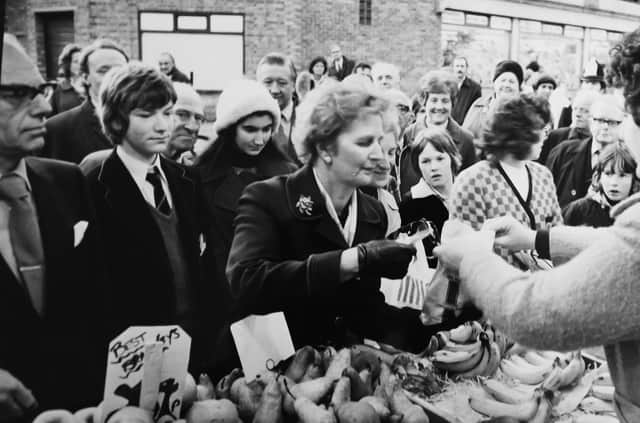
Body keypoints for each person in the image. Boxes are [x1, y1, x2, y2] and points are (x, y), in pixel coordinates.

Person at [432, 28, 640, 421]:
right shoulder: (475, 178)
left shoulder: (544, 176)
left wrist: (475, 256)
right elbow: (612, 241)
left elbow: (534, 315)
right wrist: (535, 238)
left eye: (624, 116)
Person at [224, 82, 438, 355]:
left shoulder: (374, 214)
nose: (378, 155)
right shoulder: (267, 198)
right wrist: (353, 260)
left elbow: (365, 311)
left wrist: (434, 320)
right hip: (268, 369)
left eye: (381, 143)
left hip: (338, 374)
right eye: (364, 142)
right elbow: (247, 282)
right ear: (325, 148)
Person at [0, 33, 106, 414]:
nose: (44, 107)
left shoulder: (67, 182)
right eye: (16, 93)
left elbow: (97, 296)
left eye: (40, 90)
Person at [85, 62, 211, 374]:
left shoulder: (188, 179)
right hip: (133, 354)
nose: (162, 125)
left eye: (167, 112)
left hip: (196, 343)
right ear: (115, 120)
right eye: (146, 115)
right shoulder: (92, 187)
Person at [196, 79, 297, 352]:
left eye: (267, 129)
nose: (260, 138)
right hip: (222, 295)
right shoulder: (201, 177)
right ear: (229, 130)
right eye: (250, 129)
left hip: (276, 293)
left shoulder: (288, 174)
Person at [451, 93, 563, 268]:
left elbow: (557, 236)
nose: (545, 135)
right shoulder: (473, 181)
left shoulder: (544, 176)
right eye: (539, 128)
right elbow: (467, 257)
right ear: (517, 133)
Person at [79, 82, 206, 173]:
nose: (192, 126)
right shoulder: (98, 165)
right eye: (182, 115)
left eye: (198, 118)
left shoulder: (196, 173)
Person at [43, 38, 129, 163]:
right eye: (103, 71)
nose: (114, 76)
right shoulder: (57, 130)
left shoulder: (149, 122)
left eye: (120, 70)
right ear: (85, 77)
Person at [399, 70, 476, 197]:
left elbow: (471, 185)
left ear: (452, 103)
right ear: (424, 102)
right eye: (434, 100)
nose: (439, 106)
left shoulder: (466, 139)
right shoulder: (408, 135)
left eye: (445, 101)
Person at [546, 94, 625, 208]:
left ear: (622, 124)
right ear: (591, 121)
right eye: (600, 120)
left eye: (612, 122)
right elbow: (545, 192)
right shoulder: (563, 152)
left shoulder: (630, 161)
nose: (605, 126)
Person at [399, 128, 460, 237]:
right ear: (417, 165)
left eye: (440, 159)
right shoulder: (410, 204)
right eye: (426, 161)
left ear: (452, 158)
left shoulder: (467, 189)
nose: (434, 167)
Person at [564, 141, 639, 227]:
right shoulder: (579, 210)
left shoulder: (636, 213)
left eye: (622, 176)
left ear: (634, 179)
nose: (614, 183)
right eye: (608, 174)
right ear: (598, 177)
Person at [463, 60, 523, 148]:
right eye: (503, 80)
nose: (506, 85)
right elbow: (465, 135)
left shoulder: (524, 111)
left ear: (519, 87)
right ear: (494, 83)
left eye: (511, 82)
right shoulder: (479, 104)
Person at [256, 52, 301, 164]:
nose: (275, 90)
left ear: (294, 85)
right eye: (268, 82)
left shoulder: (309, 118)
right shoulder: (245, 121)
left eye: (282, 83)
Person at [537, 89, 598, 164]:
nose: (577, 114)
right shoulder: (555, 136)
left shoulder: (597, 143)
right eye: (575, 109)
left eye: (585, 111)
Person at [557, 58, 606, 128]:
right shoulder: (569, 110)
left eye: (594, 83)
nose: (590, 86)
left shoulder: (606, 110)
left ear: (602, 88)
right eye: (587, 82)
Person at [48, 43, 84, 116]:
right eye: (76, 62)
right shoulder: (60, 88)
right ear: (68, 64)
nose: (80, 65)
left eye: (82, 61)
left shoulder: (90, 86)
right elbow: (50, 115)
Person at [450, 56, 482, 125]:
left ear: (466, 68)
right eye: (457, 66)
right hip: (448, 126)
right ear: (453, 68)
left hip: (465, 127)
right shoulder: (447, 86)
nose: (459, 69)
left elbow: (477, 111)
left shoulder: (475, 88)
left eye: (462, 66)